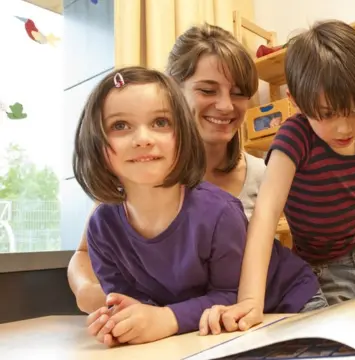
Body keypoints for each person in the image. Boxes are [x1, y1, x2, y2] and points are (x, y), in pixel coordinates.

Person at [73, 66, 321, 346]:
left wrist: (166, 318)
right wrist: (123, 323)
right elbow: (131, 303)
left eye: (160, 123)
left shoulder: (220, 212)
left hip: (289, 302)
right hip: (212, 329)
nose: (143, 138)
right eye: (120, 126)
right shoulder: (101, 229)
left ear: (183, 135)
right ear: (94, 142)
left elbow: (233, 295)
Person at [214, 20, 355, 332]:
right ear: (296, 103)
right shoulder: (294, 138)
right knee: (343, 338)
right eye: (326, 114)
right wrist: (250, 299)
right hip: (321, 270)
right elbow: (266, 213)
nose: (345, 127)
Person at [67, 24, 269, 314]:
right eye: (207, 90)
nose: (225, 106)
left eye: (238, 93)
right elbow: (85, 253)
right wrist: (92, 292)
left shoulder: (263, 176)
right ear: (172, 91)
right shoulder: (134, 177)